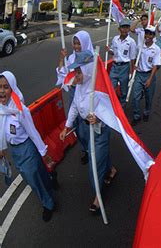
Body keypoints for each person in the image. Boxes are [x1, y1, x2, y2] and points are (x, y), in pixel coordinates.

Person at [59, 51, 117, 214]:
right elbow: (75, 107)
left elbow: (111, 110)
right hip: (85, 129)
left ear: (89, 69)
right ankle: (111, 169)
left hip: (99, 132)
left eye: (79, 71)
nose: (76, 75)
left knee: (93, 167)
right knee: (99, 158)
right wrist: (66, 127)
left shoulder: (100, 88)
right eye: (76, 71)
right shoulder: (80, 86)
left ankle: (98, 196)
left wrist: (98, 119)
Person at [0, 71, 56, 221]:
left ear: (12, 88)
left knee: (33, 178)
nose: (1, 91)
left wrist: (44, 153)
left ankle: (49, 204)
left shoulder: (20, 111)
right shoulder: (1, 108)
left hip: (27, 149)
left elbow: (32, 132)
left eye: (5, 87)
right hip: (14, 151)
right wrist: (1, 148)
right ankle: (51, 179)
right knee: (33, 176)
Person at [57, 31, 94, 164]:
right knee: (77, 125)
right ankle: (85, 149)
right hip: (75, 93)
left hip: (88, 94)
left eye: (79, 43)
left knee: (87, 125)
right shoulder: (71, 59)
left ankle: (93, 150)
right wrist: (62, 58)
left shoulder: (91, 60)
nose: (76, 46)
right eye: (75, 43)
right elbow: (63, 75)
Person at [131, 26, 161, 126]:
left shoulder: (156, 49)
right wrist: (134, 67)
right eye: (146, 33)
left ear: (153, 36)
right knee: (135, 97)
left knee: (149, 97)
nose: (148, 36)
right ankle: (136, 116)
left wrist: (150, 79)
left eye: (150, 34)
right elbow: (135, 58)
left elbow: (155, 66)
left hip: (149, 75)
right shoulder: (139, 47)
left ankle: (146, 112)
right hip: (139, 74)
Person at [107, 19, 137, 109]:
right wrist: (109, 51)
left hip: (125, 67)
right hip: (115, 67)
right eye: (123, 27)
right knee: (111, 88)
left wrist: (132, 72)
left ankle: (122, 107)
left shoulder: (131, 42)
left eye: (127, 28)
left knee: (124, 90)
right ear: (119, 29)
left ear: (128, 29)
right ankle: (111, 106)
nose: (125, 30)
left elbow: (132, 58)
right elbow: (114, 52)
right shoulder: (115, 39)